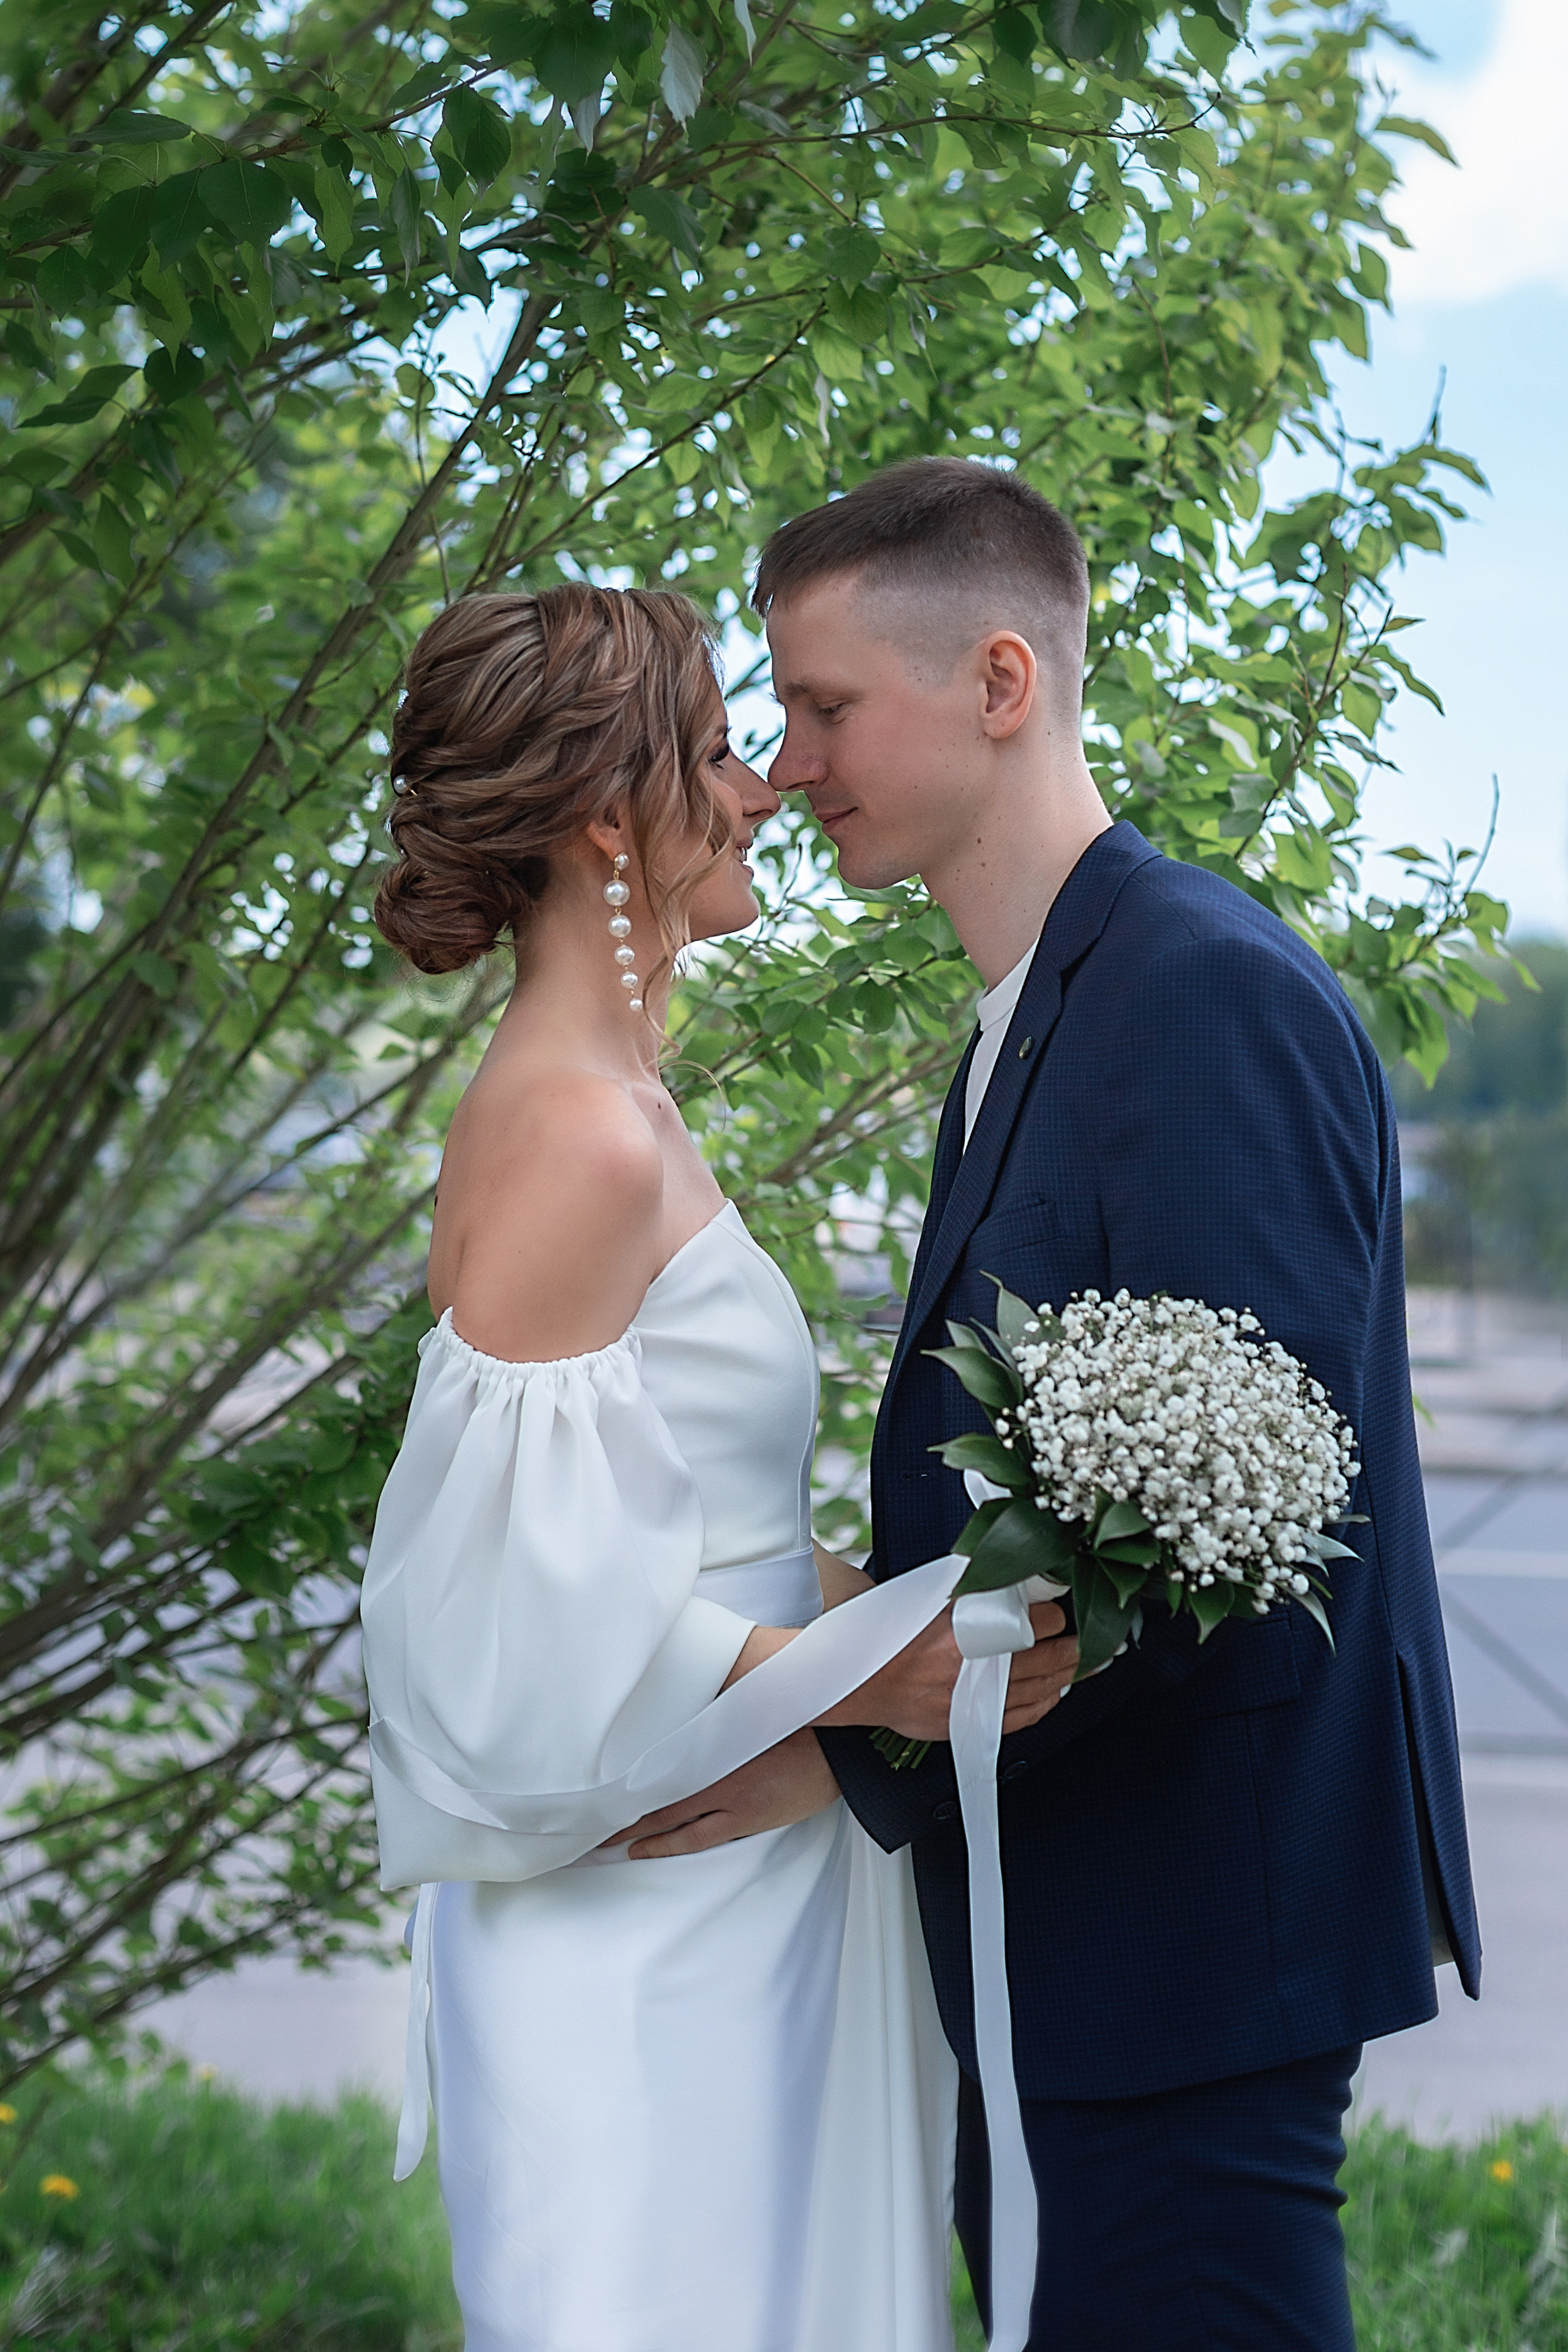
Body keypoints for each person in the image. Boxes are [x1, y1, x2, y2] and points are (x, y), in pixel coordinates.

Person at [635, 458, 1481, 2351]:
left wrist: (839, 1741)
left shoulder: (1193, 993)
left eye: (827, 702)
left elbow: (1217, 1535)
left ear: (1002, 682)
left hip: (1181, 1945)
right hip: (1072, 1933)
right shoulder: (1041, 1010)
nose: (787, 758)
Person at [357, 581, 1078, 2352]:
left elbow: (690, 1536)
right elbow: (506, 1627)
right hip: (647, 1933)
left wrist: (904, 1618)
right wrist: (868, 1681)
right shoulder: (580, 1138)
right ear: (612, 818)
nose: (763, 787)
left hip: (752, 1897)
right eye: (713, 753)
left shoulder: (618, 1104)